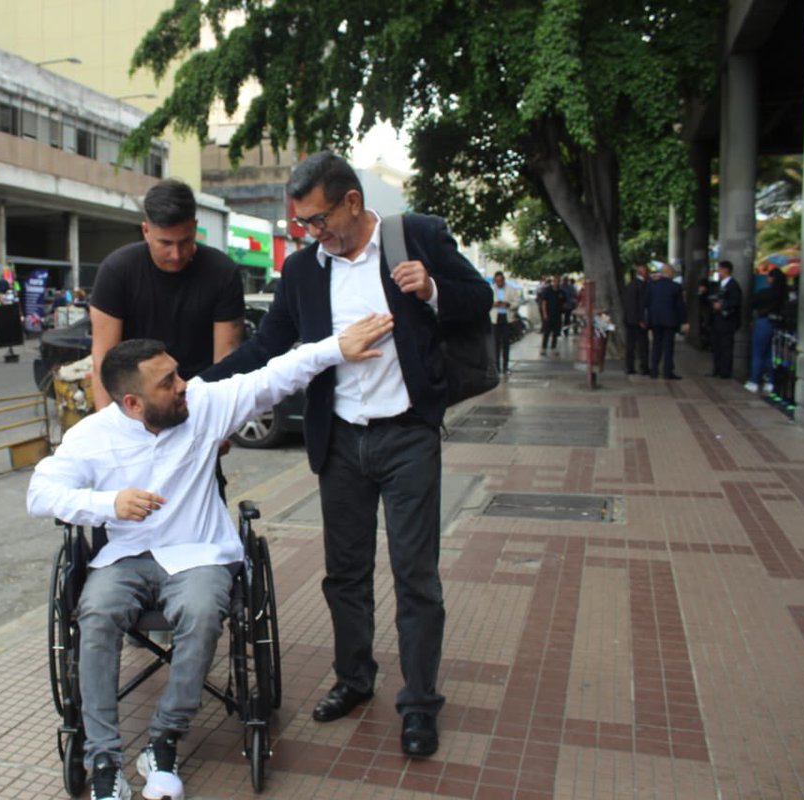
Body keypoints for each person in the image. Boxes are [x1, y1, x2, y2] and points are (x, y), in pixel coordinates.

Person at [27, 314, 394, 800]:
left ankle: (163, 740)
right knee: (95, 614)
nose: (184, 386)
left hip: (198, 553)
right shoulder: (92, 437)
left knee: (202, 614)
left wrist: (336, 347)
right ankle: (103, 760)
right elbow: (40, 492)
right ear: (133, 403)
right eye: (168, 383)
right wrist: (106, 504)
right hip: (126, 557)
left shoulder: (203, 403)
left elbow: (275, 374)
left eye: (177, 373)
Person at [200, 152, 492, 760]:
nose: (311, 232)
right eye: (303, 223)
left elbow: (479, 297)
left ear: (352, 202)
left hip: (407, 436)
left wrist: (434, 288)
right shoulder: (306, 270)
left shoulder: (416, 237)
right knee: (345, 575)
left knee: (416, 576)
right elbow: (269, 344)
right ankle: (355, 680)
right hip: (339, 441)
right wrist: (200, 390)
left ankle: (419, 705)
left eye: (316, 219)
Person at [89, 178, 244, 411]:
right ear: (146, 231)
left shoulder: (222, 273)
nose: (176, 254)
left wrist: (220, 425)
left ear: (195, 226)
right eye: (165, 243)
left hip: (198, 401)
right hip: (136, 404)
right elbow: (103, 362)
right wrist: (109, 428)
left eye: (185, 241)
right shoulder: (116, 272)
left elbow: (225, 361)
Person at [745, 261, 788, 394]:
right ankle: (770, 381)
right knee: (771, 353)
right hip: (777, 325)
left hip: (763, 322)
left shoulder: (764, 292)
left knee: (758, 353)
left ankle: (754, 381)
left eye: (769, 277)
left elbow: (751, 304)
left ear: (772, 278)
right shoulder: (784, 294)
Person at [643, 263, 687, 380]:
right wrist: (684, 321)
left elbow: (646, 302)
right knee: (668, 346)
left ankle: (654, 370)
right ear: (670, 273)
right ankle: (667, 372)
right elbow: (680, 306)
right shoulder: (676, 287)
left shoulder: (652, 286)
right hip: (670, 321)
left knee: (656, 345)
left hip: (655, 320)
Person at [708, 260, 742, 378]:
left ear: (726, 270)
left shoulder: (733, 285)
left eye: (720, 269)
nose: (719, 271)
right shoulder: (719, 284)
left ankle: (725, 371)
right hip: (717, 320)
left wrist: (722, 305)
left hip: (727, 321)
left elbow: (735, 301)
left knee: (726, 347)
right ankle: (717, 369)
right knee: (716, 346)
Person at [622, 263, 650, 375]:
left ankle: (630, 367)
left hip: (629, 319)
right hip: (638, 320)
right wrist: (641, 319)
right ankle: (644, 367)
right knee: (642, 345)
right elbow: (640, 304)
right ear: (643, 273)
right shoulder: (642, 285)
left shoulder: (630, 285)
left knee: (630, 345)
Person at [490, 271, 520, 374]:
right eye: (497, 281)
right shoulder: (491, 289)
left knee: (506, 343)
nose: (499, 283)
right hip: (495, 318)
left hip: (506, 318)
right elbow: (486, 302)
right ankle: (497, 367)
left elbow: (516, 302)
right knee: (496, 344)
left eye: (501, 281)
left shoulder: (511, 289)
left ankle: (505, 366)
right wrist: (494, 304)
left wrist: (508, 305)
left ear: (503, 280)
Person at [538, 276, 564, 355]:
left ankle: (554, 348)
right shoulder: (548, 291)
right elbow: (544, 303)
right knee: (547, 332)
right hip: (549, 315)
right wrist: (545, 314)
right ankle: (544, 348)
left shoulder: (561, 292)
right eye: (555, 281)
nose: (556, 283)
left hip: (557, 315)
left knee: (555, 333)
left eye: (558, 281)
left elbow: (564, 302)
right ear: (553, 282)